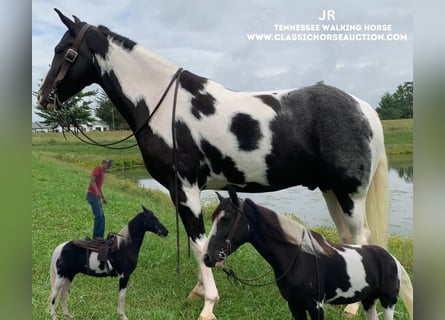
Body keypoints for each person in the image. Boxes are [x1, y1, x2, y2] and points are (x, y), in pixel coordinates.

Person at [86, 159, 113, 239]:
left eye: (110, 166)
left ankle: (100, 237)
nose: (108, 167)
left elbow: (99, 187)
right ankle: (95, 237)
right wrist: (97, 192)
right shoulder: (98, 169)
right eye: (108, 165)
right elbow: (92, 180)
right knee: (98, 216)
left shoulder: (103, 174)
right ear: (103, 163)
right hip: (91, 195)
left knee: (102, 217)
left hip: (96, 196)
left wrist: (103, 198)